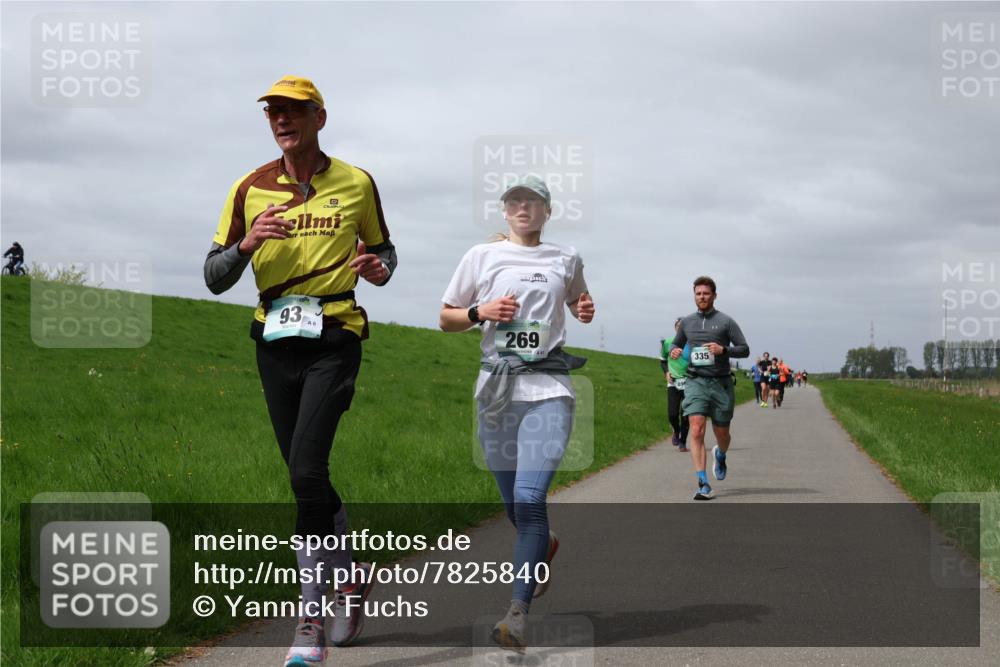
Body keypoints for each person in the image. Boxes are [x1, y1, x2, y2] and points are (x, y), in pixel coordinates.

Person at [203, 75, 396, 667]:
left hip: (335, 336)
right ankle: (353, 575)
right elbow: (213, 275)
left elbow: (386, 253)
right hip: (274, 342)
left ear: (320, 117)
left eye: (293, 111)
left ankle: (308, 621)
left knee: (308, 472)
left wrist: (378, 269)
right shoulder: (248, 188)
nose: (282, 120)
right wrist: (246, 245)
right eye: (273, 113)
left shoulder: (357, 183)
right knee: (303, 477)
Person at [440, 174, 594, 652]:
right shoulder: (480, 257)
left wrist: (584, 307)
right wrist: (481, 312)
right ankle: (543, 546)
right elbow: (446, 317)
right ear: (505, 212)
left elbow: (578, 300)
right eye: (514, 201)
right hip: (496, 392)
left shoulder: (565, 258)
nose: (522, 207)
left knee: (529, 500)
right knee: (513, 506)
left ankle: (516, 615)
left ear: (547, 211)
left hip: (549, 389)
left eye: (532, 201)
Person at [669, 276, 750, 500]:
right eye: (698, 294)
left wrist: (723, 349)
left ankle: (720, 454)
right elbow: (676, 343)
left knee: (722, 433)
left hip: (721, 383)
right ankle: (703, 483)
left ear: (714, 295)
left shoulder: (726, 322)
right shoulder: (687, 322)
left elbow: (744, 349)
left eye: (706, 293)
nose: (702, 297)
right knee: (696, 429)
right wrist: (675, 350)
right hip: (696, 381)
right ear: (694, 296)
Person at [660, 318, 690, 452]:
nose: (680, 328)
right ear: (675, 328)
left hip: (690, 382)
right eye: (678, 326)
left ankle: (683, 442)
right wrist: (666, 372)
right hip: (673, 383)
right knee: (672, 414)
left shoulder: (692, 343)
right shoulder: (667, 343)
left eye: (683, 326)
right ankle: (676, 432)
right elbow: (663, 361)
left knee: (686, 414)